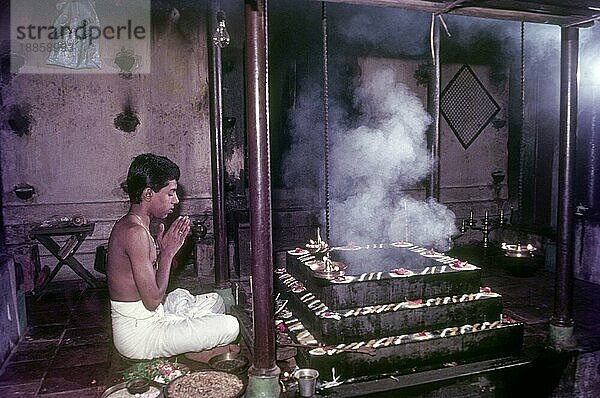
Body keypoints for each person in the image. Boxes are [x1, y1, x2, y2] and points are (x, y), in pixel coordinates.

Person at [106, 153, 239, 360]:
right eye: (170, 193)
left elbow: (149, 286)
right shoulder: (135, 233)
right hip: (140, 336)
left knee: (213, 300)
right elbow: (152, 300)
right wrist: (167, 253)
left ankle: (192, 343)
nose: (175, 201)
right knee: (231, 325)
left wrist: (160, 251)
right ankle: (195, 350)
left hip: (153, 315)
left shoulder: (136, 224)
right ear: (148, 194)